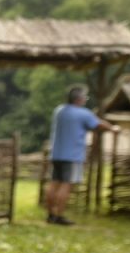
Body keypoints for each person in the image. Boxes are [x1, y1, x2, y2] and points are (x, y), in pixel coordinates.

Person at [45, 85, 119, 226]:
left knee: (54, 184)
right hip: (72, 155)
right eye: (85, 97)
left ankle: (50, 214)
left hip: (56, 153)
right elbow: (99, 125)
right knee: (66, 185)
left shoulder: (59, 110)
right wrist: (114, 129)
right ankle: (59, 216)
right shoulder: (82, 113)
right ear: (80, 99)